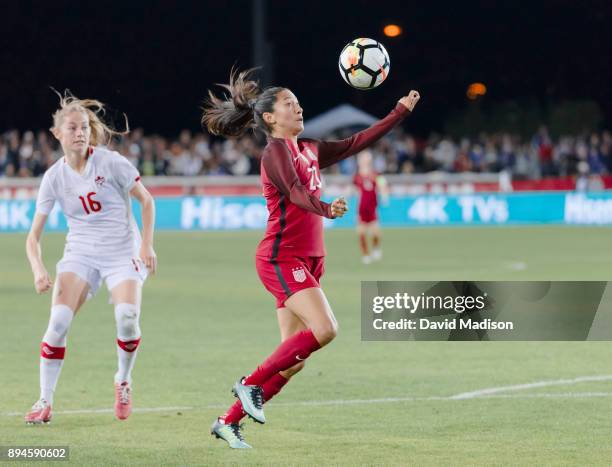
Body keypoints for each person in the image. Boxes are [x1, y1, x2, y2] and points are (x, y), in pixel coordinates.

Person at [202, 69, 419, 448]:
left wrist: (397, 113)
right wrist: (325, 208)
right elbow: (297, 192)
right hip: (281, 258)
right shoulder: (275, 152)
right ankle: (249, 383)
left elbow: (356, 142)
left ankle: (228, 421)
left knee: (296, 359)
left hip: (309, 260)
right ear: (270, 117)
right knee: (327, 329)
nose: (298, 108)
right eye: (289, 104)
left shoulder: (310, 148)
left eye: (298, 103)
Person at [24, 92, 157, 424]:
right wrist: (38, 267)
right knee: (57, 323)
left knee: (127, 317)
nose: (80, 133)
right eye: (72, 128)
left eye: (83, 127)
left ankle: (123, 380)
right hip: (81, 252)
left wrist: (147, 246)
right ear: (58, 134)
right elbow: (33, 237)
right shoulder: (54, 177)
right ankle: (44, 400)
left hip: (121, 250)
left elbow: (147, 200)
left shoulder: (110, 162)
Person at [353, 150, 389, 264]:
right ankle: (365, 255)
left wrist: (384, 195)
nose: (364, 160)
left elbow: (383, 185)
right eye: (362, 158)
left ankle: (376, 248)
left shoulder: (376, 174)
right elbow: (355, 191)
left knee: (376, 233)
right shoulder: (357, 176)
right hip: (361, 209)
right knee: (361, 233)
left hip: (372, 208)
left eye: (366, 158)